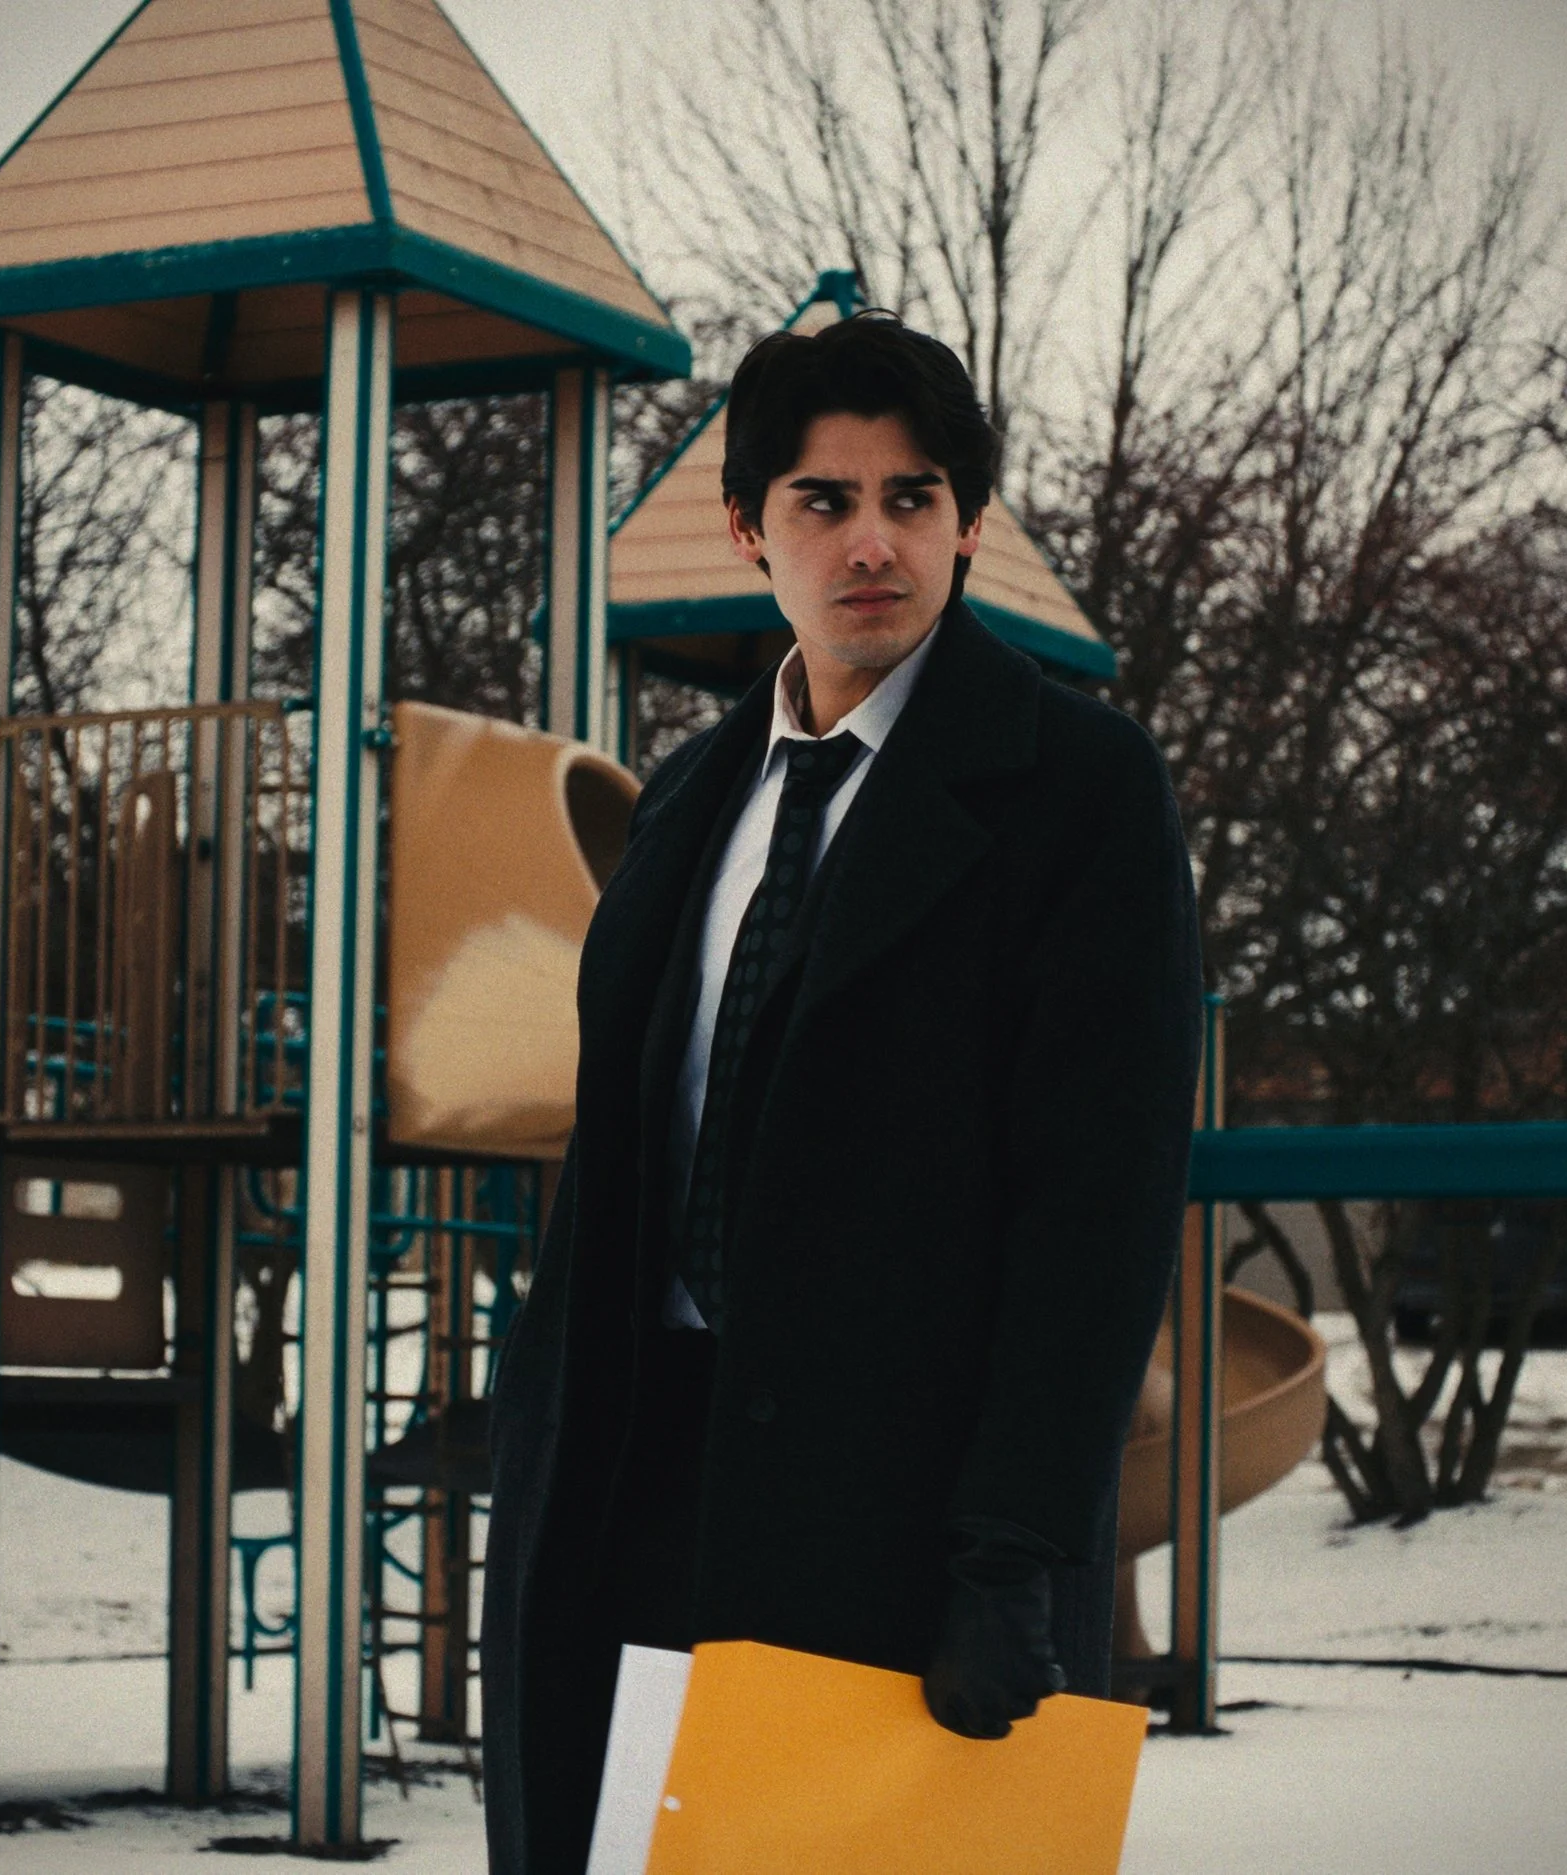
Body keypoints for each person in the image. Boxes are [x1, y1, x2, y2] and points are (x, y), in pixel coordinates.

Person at [482, 311, 1202, 1874]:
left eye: (914, 498)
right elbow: (625, 1167)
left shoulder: (1080, 794)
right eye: (825, 500)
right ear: (752, 527)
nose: (873, 540)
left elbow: (1099, 1208)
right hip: (632, 1498)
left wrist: (1009, 1551)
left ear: (968, 523)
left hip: (903, 1522)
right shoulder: (683, 799)